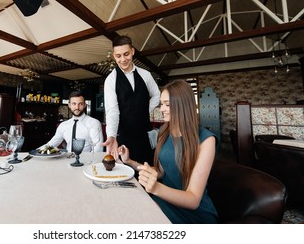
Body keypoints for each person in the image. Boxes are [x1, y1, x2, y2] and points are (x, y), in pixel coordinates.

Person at [118, 80, 218, 224]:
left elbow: (194, 199)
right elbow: (160, 171)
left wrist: (156, 187)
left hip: (193, 215)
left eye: (167, 104)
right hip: (164, 200)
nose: (162, 109)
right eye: (161, 104)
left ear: (182, 105)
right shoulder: (164, 132)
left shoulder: (206, 140)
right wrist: (129, 161)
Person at [103, 35, 160, 165]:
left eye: (126, 54)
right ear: (113, 55)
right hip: (124, 137)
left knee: (147, 171)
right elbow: (112, 111)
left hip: (145, 135)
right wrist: (111, 135)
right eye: (118, 56)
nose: (123, 59)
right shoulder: (111, 80)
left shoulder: (145, 75)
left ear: (133, 51)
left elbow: (156, 94)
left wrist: (145, 110)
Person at [38, 91, 103, 152]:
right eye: (74, 104)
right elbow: (52, 143)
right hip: (67, 160)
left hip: (86, 161)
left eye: (80, 104)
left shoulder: (94, 123)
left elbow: (98, 148)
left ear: (84, 105)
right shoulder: (63, 125)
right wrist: (36, 152)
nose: (77, 107)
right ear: (69, 105)